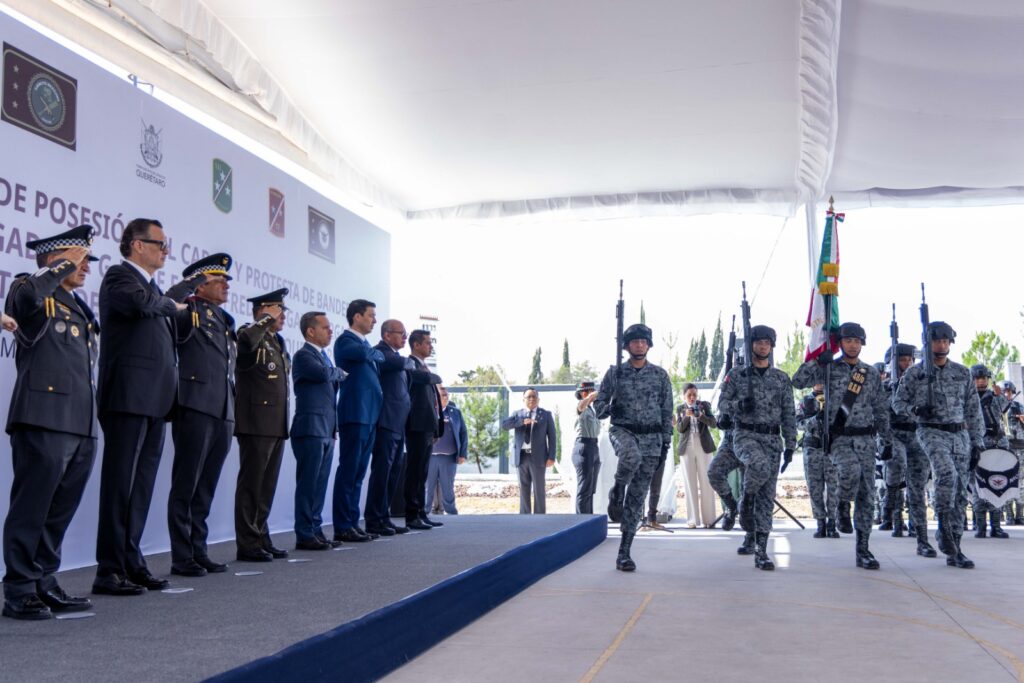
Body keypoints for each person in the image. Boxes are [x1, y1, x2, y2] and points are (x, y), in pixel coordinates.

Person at [94, 218, 198, 596]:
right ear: (137, 245)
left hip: (156, 399)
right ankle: (109, 569)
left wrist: (176, 301)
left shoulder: (154, 290)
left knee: (141, 487)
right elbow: (141, 305)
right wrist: (173, 301)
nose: (165, 251)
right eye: (160, 244)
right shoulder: (120, 277)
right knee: (120, 484)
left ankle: (131, 562)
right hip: (128, 395)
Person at [2, 226, 98, 619]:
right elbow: (23, 301)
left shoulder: (77, 305)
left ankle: (44, 579)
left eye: (86, 260)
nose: (85, 266)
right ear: (54, 259)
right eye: (79, 258)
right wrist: (59, 268)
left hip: (79, 421)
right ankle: (20, 588)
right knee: (32, 506)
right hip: (43, 417)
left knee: (59, 509)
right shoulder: (30, 288)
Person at [793, 322, 892, 570]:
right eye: (848, 340)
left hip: (866, 440)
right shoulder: (829, 369)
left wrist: (886, 439)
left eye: (857, 341)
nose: (853, 345)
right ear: (840, 343)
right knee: (849, 473)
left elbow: (880, 408)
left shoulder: (869, 373)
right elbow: (797, 381)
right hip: (838, 438)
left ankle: (863, 549)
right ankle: (840, 504)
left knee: (867, 494)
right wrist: (818, 361)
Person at [893, 321, 984, 569]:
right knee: (946, 474)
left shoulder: (962, 373)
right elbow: (898, 403)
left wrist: (977, 442)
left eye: (945, 341)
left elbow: (973, 410)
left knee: (959, 493)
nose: (941, 345)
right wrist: (915, 410)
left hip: (960, 435)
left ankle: (955, 545)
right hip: (930, 431)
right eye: (937, 341)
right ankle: (943, 526)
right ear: (927, 342)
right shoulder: (916, 373)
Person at [168, 254, 237, 576]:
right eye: (218, 280)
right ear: (200, 282)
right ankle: (182, 555)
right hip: (194, 404)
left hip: (222, 409)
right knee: (187, 483)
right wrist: (188, 288)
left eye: (226, 280)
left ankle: (199, 548)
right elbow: (163, 305)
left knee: (206, 485)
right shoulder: (187, 311)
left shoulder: (225, 320)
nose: (225, 285)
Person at [595, 324, 673, 572]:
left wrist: (666, 441)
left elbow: (666, 410)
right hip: (623, 431)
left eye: (643, 341)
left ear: (649, 345)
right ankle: (617, 488)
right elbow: (599, 407)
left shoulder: (660, 376)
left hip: (652, 438)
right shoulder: (614, 373)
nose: (639, 345)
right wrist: (609, 408)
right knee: (630, 456)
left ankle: (624, 552)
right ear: (626, 345)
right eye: (634, 341)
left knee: (638, 497)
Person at [717, 324, 796, 571]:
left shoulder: (781, 378)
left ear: (771, 347)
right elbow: (722, 403)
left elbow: (789, 414)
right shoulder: (737, 375)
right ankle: (744, 500)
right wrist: (740, 406)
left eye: (767, 343)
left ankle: (761, 552)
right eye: (759, 342)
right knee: (757, 465)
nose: (763, 347)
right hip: (745, 435)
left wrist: (791, 444)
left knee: (766, 497)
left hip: (773, 440)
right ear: (751, 345)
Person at [233, 289, 291, 562]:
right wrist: (265, 320)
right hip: (255, 421)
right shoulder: (249, 332)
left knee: (266, 486)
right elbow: (245, 344)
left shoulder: (277, 341)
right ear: (262, 310)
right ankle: (248, 542)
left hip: (275, 423)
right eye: (277, 309)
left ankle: (261, 536)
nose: (282, 315)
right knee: (252, 485)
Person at [291, 311, 345, 550]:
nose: (330, 331)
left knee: (320, 484)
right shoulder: (303, 355)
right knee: (308, 484)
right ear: (310, 331)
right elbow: (323, 374)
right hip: (310, 428)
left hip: (325, 429)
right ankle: (304, 533)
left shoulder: (325, 357)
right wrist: (339, 373)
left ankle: (315, 529)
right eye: (325, 327)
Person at [332, 299, 384, 543]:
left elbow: (376, 356)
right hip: (355, 414)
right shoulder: (346, 340)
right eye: (371, 315)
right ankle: (343, 525)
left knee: (359, 472)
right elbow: (369, 354)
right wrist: (374, 352)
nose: (374, 320)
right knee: (349, 470)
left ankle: (352, 522)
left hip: (369, 416)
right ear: (356, 317)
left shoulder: (363, 344)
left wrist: (374, 352)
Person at [364, 320, 414, 536]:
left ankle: (384, 517)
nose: (405, 337)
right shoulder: (380, 353)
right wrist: (406, 362)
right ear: (386, 335)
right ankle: (374, 519)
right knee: (382, 472)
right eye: (401, 333)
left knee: (393, 472)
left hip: (398, 423)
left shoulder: (396, 357)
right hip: (385, 422)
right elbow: (395, 363)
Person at [885, 343, 935, 556]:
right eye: (902, 360)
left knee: (917, 485)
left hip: (917, 435)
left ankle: (919, 530)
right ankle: (895, 517)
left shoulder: (920, 383)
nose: (906, 364)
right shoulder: (885, 386)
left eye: (909, 360)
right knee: (896, 468)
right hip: (894, 434)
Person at [404, 330, 445, 529]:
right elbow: (428, 379)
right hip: (416, 425)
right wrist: (434, 377)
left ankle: (421, 512)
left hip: (427, 426)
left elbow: (433, 401)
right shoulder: (410, 364)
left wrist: (436, 428)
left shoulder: (424, 366)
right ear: (416, 345)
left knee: (422, 472)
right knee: (415, 471)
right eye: (427, 343)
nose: (431, 346)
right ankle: (412, 515)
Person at [970, 364, 1010, 539]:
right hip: (978, 444)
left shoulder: (994, 396)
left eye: (984, 378)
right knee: (979, 487)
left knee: (997, 485)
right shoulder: (967, 397)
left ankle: (996, 526)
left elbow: (1003, 407)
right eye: (978, 378)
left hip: (997, 443)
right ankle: (980, 526)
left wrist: (997, 395)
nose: (981, 381)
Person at [501, 388, 557, 514]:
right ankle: (525, 518)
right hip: (521, 457)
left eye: (534, 396)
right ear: (523, 399)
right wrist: (521, 422)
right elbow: (504, 425)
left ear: (538, 399)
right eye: (529, 397)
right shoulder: (518, 414)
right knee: (524, 490)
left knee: (539, 490)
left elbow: (552, 437)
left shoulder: (545, 414)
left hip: (538, 457)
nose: (531, 399)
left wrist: (551, 456)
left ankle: (540, 517)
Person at [798, 389, 840, 538]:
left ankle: (832, 523)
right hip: (812, 449)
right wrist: (816, 419)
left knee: (833, 487)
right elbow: (799, 424)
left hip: (832, 448)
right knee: (815, 488)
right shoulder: (806, 401)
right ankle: (820, 523)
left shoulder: (837, 396)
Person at [676, 383, 718, 528]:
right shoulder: (680, 408)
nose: (693, 397)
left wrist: (700, 416)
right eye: (689, 395)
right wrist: (687, 417)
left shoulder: (704, 406)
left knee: (706, 481)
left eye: (694, 394)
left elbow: (713, 423)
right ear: (684, 396)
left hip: (703, 444)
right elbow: (680, 429)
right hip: (686, 446)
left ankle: (709, 519)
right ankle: (693, 519)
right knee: (690, 482)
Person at [425, 387, 467, 515]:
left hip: (449, 458)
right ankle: (423, 512)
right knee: (427, 488)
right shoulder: (428, 411)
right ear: (436, 397)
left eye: (447, 395)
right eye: (443, 395)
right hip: (430, 457)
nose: (446, 397)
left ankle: (451, 512)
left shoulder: (455, 412)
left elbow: (463, 433)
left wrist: (462, 454)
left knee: (448, 487)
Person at [572, 381, 602, 514]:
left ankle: (589, 520)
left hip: (593, 446)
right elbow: (581, 407)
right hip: (583, 446)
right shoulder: (581, 406)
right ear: (584, 393)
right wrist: (589, 398)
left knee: (590, 489)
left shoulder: (591, 409)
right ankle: (581, 522)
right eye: (591, 392)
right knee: (584, 488)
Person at [1005, 381, 1024, 525]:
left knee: (1021, 483)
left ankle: (1019, 515)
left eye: (1009, 392)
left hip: (1021, 448)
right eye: (1004, 391)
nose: (1007, 394)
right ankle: (1009, 515)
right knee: (1005, 482)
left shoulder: (1019, 407)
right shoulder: (996, 407)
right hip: (1005, 449)